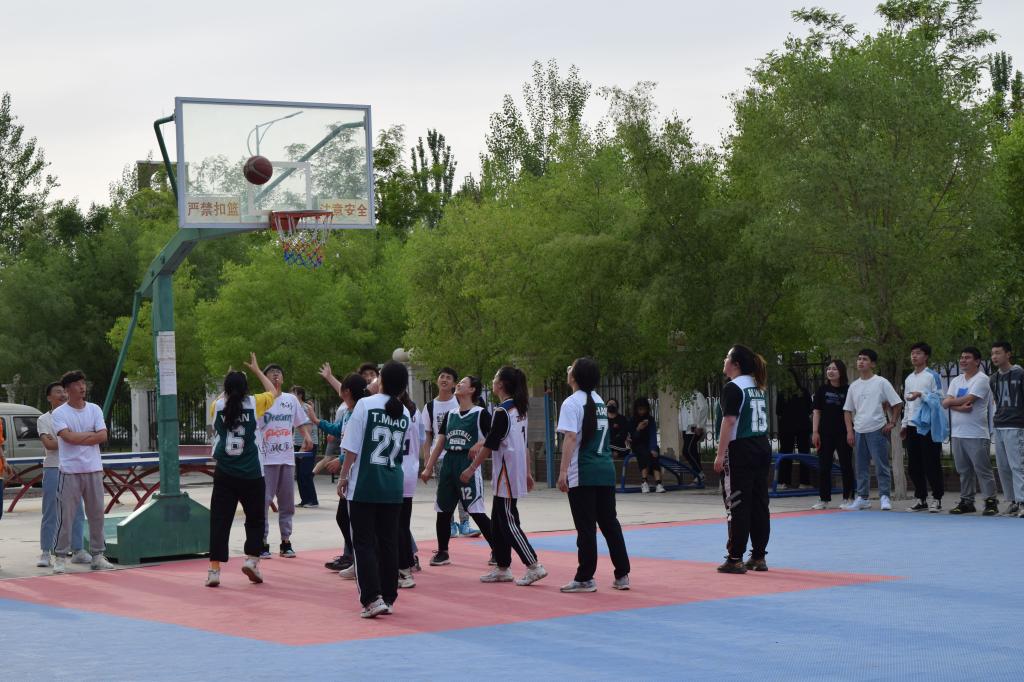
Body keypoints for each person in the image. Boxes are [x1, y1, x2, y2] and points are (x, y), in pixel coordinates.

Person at [339, 361, 411, 618]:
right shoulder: (404, 412)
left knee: (364, 543)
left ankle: (371, 598)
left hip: (365, 484)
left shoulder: (365, 405)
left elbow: (351, 447)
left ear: (381, 380)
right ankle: (388, 596)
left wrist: (343, 476)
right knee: (389, 543)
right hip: (392, 485)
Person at [465, 366, 547, 586]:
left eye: (494, 378)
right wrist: (527, 472)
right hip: (513, 471)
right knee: (498, 522)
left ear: (501, 384)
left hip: (507, 473)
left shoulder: (502, 411)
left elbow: (490, 445)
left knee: (509, 522)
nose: (492, 381)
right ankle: (502, 566)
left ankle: (533, 565)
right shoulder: (518, 409)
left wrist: (471, 469)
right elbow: (521, 443)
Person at [556, 357, 631, 592]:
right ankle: (622, 574)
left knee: (586, 527)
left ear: (575, 377)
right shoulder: (599, 401)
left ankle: (585, 577)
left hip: (583, 472)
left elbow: (570, 437)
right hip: (605, 469)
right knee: (609, 523)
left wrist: (563, 471)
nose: (568, 369)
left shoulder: (571, 403)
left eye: (572, 367)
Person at [205, 355, 280, 587]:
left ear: (226, 388)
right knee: (255, 519)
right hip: (251, 473)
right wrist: (257, 371)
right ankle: (251, 560)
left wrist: (228, 381)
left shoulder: (217, 406)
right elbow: (274, 391)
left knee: (220, 520)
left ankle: (214, 570)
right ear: (246, 388)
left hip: (225, 472)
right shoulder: (255, 403)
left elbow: (224, 397)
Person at [420, 376, 495, 565]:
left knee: (475, 510)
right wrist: (428, 467)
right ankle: (443, 552)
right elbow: (440, 442)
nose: (459, 384)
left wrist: (479, 443)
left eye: (462, 382)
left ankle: (498, 549)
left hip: (467, 463)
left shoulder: (480, 413)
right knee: (443, 510)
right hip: (448, 463)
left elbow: (495, 437)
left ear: (472, 389)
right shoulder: (451, 414)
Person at [713, 345, 772, 574]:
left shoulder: (733, 387)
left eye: (727, 357)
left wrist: (720, 454)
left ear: (735, 364)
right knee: (759, 503)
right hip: (761, 446)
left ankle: (735, 557)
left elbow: (729, 422)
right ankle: (758, 556)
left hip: (741, 449)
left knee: (737, 502)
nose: (724, 360)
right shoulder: (757, 386)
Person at [50, 370, 114, 573]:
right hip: (70, 471)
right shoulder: (60, 413)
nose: (82, 387)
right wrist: (89, 436)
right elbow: (67, 438)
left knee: (97, 515)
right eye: (77, 384)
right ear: (68, 389)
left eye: (83, 383)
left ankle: (98, 555)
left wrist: (80, 437)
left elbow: (102, 436)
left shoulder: (94, 409)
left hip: (93, 469)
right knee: (66, 516)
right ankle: (60, 557)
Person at [308, 367, 369, 577]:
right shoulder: (349, 412)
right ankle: (355, 557)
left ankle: (360, 559)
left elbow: (360, 445)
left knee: (349, 518)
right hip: (350, 471)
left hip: (357, 472)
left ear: (347, 392)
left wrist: (341, 460)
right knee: (345, 517)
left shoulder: (360, 413)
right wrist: (317, 421)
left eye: (342, 389)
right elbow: (337, 430)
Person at [257, 364, 313, 559]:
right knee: (263, 502)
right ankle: (262, 541)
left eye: (278, 373)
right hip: (266, 459)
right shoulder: (260, 401)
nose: (275, 376)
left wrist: (306, 436)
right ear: (264, 378)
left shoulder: (291, 400)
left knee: (287, 502)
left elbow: (300, 422)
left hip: (287, 458)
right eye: (271, 373)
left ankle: (285, 541)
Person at [421, 367, 480, 539]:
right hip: (440, 456)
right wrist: (427, 459)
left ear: (454, 383)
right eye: (442, 376)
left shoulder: (459, 402)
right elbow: (428, 435)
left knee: (464, 490)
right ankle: (450, 524)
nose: (444, 380)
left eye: (448, 377)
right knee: (444, 492)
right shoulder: (430, 407)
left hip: (461, 454)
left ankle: (465, 523)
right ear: (437, 380)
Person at [841, 349, 903, 511]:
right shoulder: (854, 386)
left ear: (873, 364)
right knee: (861, 466)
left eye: (865, 359)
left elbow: (897, 403)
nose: (860, 362)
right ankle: (862, 497)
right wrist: (850, 431)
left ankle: (884, 496)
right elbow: (847, 410)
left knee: (881, 465)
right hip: (859, 430)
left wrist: (892, 422)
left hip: (877, 429)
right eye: (859, 359)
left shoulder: (881, 382)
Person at [35, 382, 88, 568]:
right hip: (53, 468)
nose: (63, 394)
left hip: (73, 467)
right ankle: (46, 552)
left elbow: (85, 438)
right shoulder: (43, 419)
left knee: (77, 511)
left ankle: (78, 550)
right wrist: (71, 438)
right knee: (50, 511)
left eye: (64, 391)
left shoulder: (73, 415)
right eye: (58, 392)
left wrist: (70, 438)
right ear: (49, 397)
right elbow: (49, 445)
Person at [944, 347, 998, 515]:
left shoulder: (982, 379)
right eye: (961, 357)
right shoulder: (956, 380)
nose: (963, 360)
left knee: (983, 470)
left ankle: (991, 502)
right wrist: (957, 406)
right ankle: (967, 502)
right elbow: (946, 402)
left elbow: (970, 398)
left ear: (977, 361)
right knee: (964, 471)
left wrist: (951, 403)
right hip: (957, 433)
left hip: (976, 434)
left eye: (967, 357)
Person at [901, 343, 945, 512]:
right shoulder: (909, 378)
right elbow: (907, 403)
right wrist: (904, 424)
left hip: (928, 425)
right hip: (912, 426)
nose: (914, 356)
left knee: (931, 463)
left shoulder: (932, 376)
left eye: (918, 353)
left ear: (926, 356)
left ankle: (937, 498)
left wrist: (922, 395)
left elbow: (939, 399)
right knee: (914, 465)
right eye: (912, 353)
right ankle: (921, 498)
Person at [811, 360, 854, 509]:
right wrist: (815, 432)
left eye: (834, 369)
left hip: (843, 433)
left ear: (841, 372)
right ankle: (824, 499)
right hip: (825, 433)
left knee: (846, 465)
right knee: (824, 467)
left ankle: (848, 497)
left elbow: (850, 412)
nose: (830, 371)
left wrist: (850, 432)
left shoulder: (848, 389)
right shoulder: (822, 390)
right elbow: (816, 412)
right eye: (828, 368)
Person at [990, 341, 1024, 517]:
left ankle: (1022, 501)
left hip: (1016, 425)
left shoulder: (1020, 374)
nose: (994, 357)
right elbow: (997, 400)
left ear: (1008, 354)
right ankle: (1012, 501)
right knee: (1003, 466)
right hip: (1000, 425)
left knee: (1017, 465)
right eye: (992, 353)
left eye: (998, 353)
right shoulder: (993, 378)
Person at [397, 390, 425, 588]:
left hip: (394, 471)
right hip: (410, 469)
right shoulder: (415, 411)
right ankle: (409, 561)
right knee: (403, 523)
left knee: (395, 525)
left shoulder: (390, 411)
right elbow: (421, 440)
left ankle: (403, 568)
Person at [776, 373, 813, 489]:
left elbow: (778, 411)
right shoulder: (804, 391)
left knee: (785, 453)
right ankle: (804, 482)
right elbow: (810, 409)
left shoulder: (782, 393)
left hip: (786, 426)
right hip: (803, 426)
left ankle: (783, 481)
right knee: (804, 453)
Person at [291, 385, 320, 508]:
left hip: (308, 444)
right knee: (299, 474)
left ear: (300, 395)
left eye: (293, 393)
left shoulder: (305, 408)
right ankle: (304, 500)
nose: (290, 396)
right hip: (297, 444)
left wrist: (304, 447)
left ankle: (313, 500)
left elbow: (308, 428)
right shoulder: (295, 408)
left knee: (305, 473)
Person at [629, 397, 662, 493]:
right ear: (636, 409)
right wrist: (638, 429)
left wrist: (653, 448)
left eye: (644, 409)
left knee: (654, 453)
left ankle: (658, 483)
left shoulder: (650, 420)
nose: (642, 412)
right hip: (637, 445)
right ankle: (644, 482)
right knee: (643, 453)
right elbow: (633, 438)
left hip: (649, 444)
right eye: (640, 409)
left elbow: (653, 435)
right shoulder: (632, 420)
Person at [677, 389, 708, 484]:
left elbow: (704, 409)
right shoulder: (683, 396)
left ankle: (700, 473)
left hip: (694, 428)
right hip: (685, 428)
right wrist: (681, 427)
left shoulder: (697, 395)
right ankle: (697, 477)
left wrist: (700, 425)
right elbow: (681, 413)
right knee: (692, 451)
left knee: (688, 450)